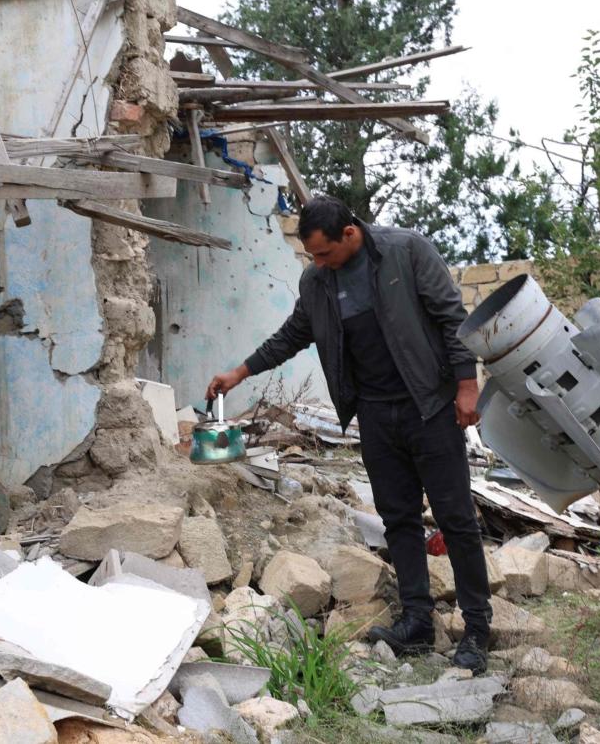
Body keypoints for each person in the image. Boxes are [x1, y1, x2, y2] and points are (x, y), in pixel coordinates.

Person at [206, 195, 493, 673]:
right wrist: (240, 372)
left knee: (455, 517)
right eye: (312, 256)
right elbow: (295, 333)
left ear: (351, 234)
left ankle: (477, 629)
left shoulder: (406, 251)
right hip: (376, 415)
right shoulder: (317, 280)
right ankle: (417, 622)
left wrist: (467, 385)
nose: (318, 264)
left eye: (325, 254)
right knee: (398, 519)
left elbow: (451, 317)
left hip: (430, 406)